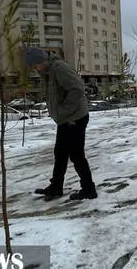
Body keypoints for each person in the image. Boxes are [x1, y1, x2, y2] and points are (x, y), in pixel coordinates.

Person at [23, 47, 97, 201]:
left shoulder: (60, 69)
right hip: (66, 118)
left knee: (76, 155)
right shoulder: (48, 71)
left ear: (42, 60)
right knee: (60, 153)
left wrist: (63, 110)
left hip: (75, 118)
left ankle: (89, 189)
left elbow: (77, 90)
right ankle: (56, 187)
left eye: (36, 66)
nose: (36, 70)